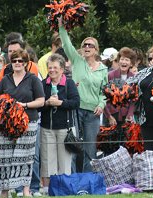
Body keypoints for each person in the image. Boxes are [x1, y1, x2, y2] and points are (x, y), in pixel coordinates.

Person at [58, 17, 108, 172]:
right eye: (84, 45)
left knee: (90, 148)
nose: (87, 47)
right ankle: (72, 178)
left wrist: (101, 105)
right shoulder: (77, 60)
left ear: (96, 50)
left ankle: (87, 178)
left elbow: (104, 92)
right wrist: (61, 27)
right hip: (76, 110)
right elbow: (66, 44)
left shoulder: (103, 69)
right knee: (73, 145)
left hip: (93, 113)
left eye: (90, 45)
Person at [0, 49, 45, 197]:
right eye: (14, 60)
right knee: (5, 156)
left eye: (20, 61)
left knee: (26, 156)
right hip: (6, 124)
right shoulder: (5, 79)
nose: (17, 63)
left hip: (28, 121)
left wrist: (25, 105)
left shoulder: (33, 79)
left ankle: (25, 190)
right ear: (11, 63)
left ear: (26, 63)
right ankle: (4, 191)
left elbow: (41, 101)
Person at [40, 54, 80, 195]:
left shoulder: (69, 83)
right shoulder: (43, 84)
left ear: (62, 69)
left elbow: (76, 103)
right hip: (47, 128)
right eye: (50, 67)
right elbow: (39, 105)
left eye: (55, 67)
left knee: (64, 161)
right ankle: (47, 190)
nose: (52, 70)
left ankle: (64, 189)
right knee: (47, 160)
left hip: (66, 128)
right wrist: (46, 103)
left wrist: (60, 103)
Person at [103, 47, 136, 127]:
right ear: (118, 61)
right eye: (122, 59)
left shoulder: (134, 78)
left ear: (131, 63)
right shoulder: (110, 75)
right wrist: (109, 116)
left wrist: (130, 115)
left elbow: (134, 99)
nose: (123, 62)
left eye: (127, 60)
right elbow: (103, 97)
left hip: (126, 116)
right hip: (110, 115)